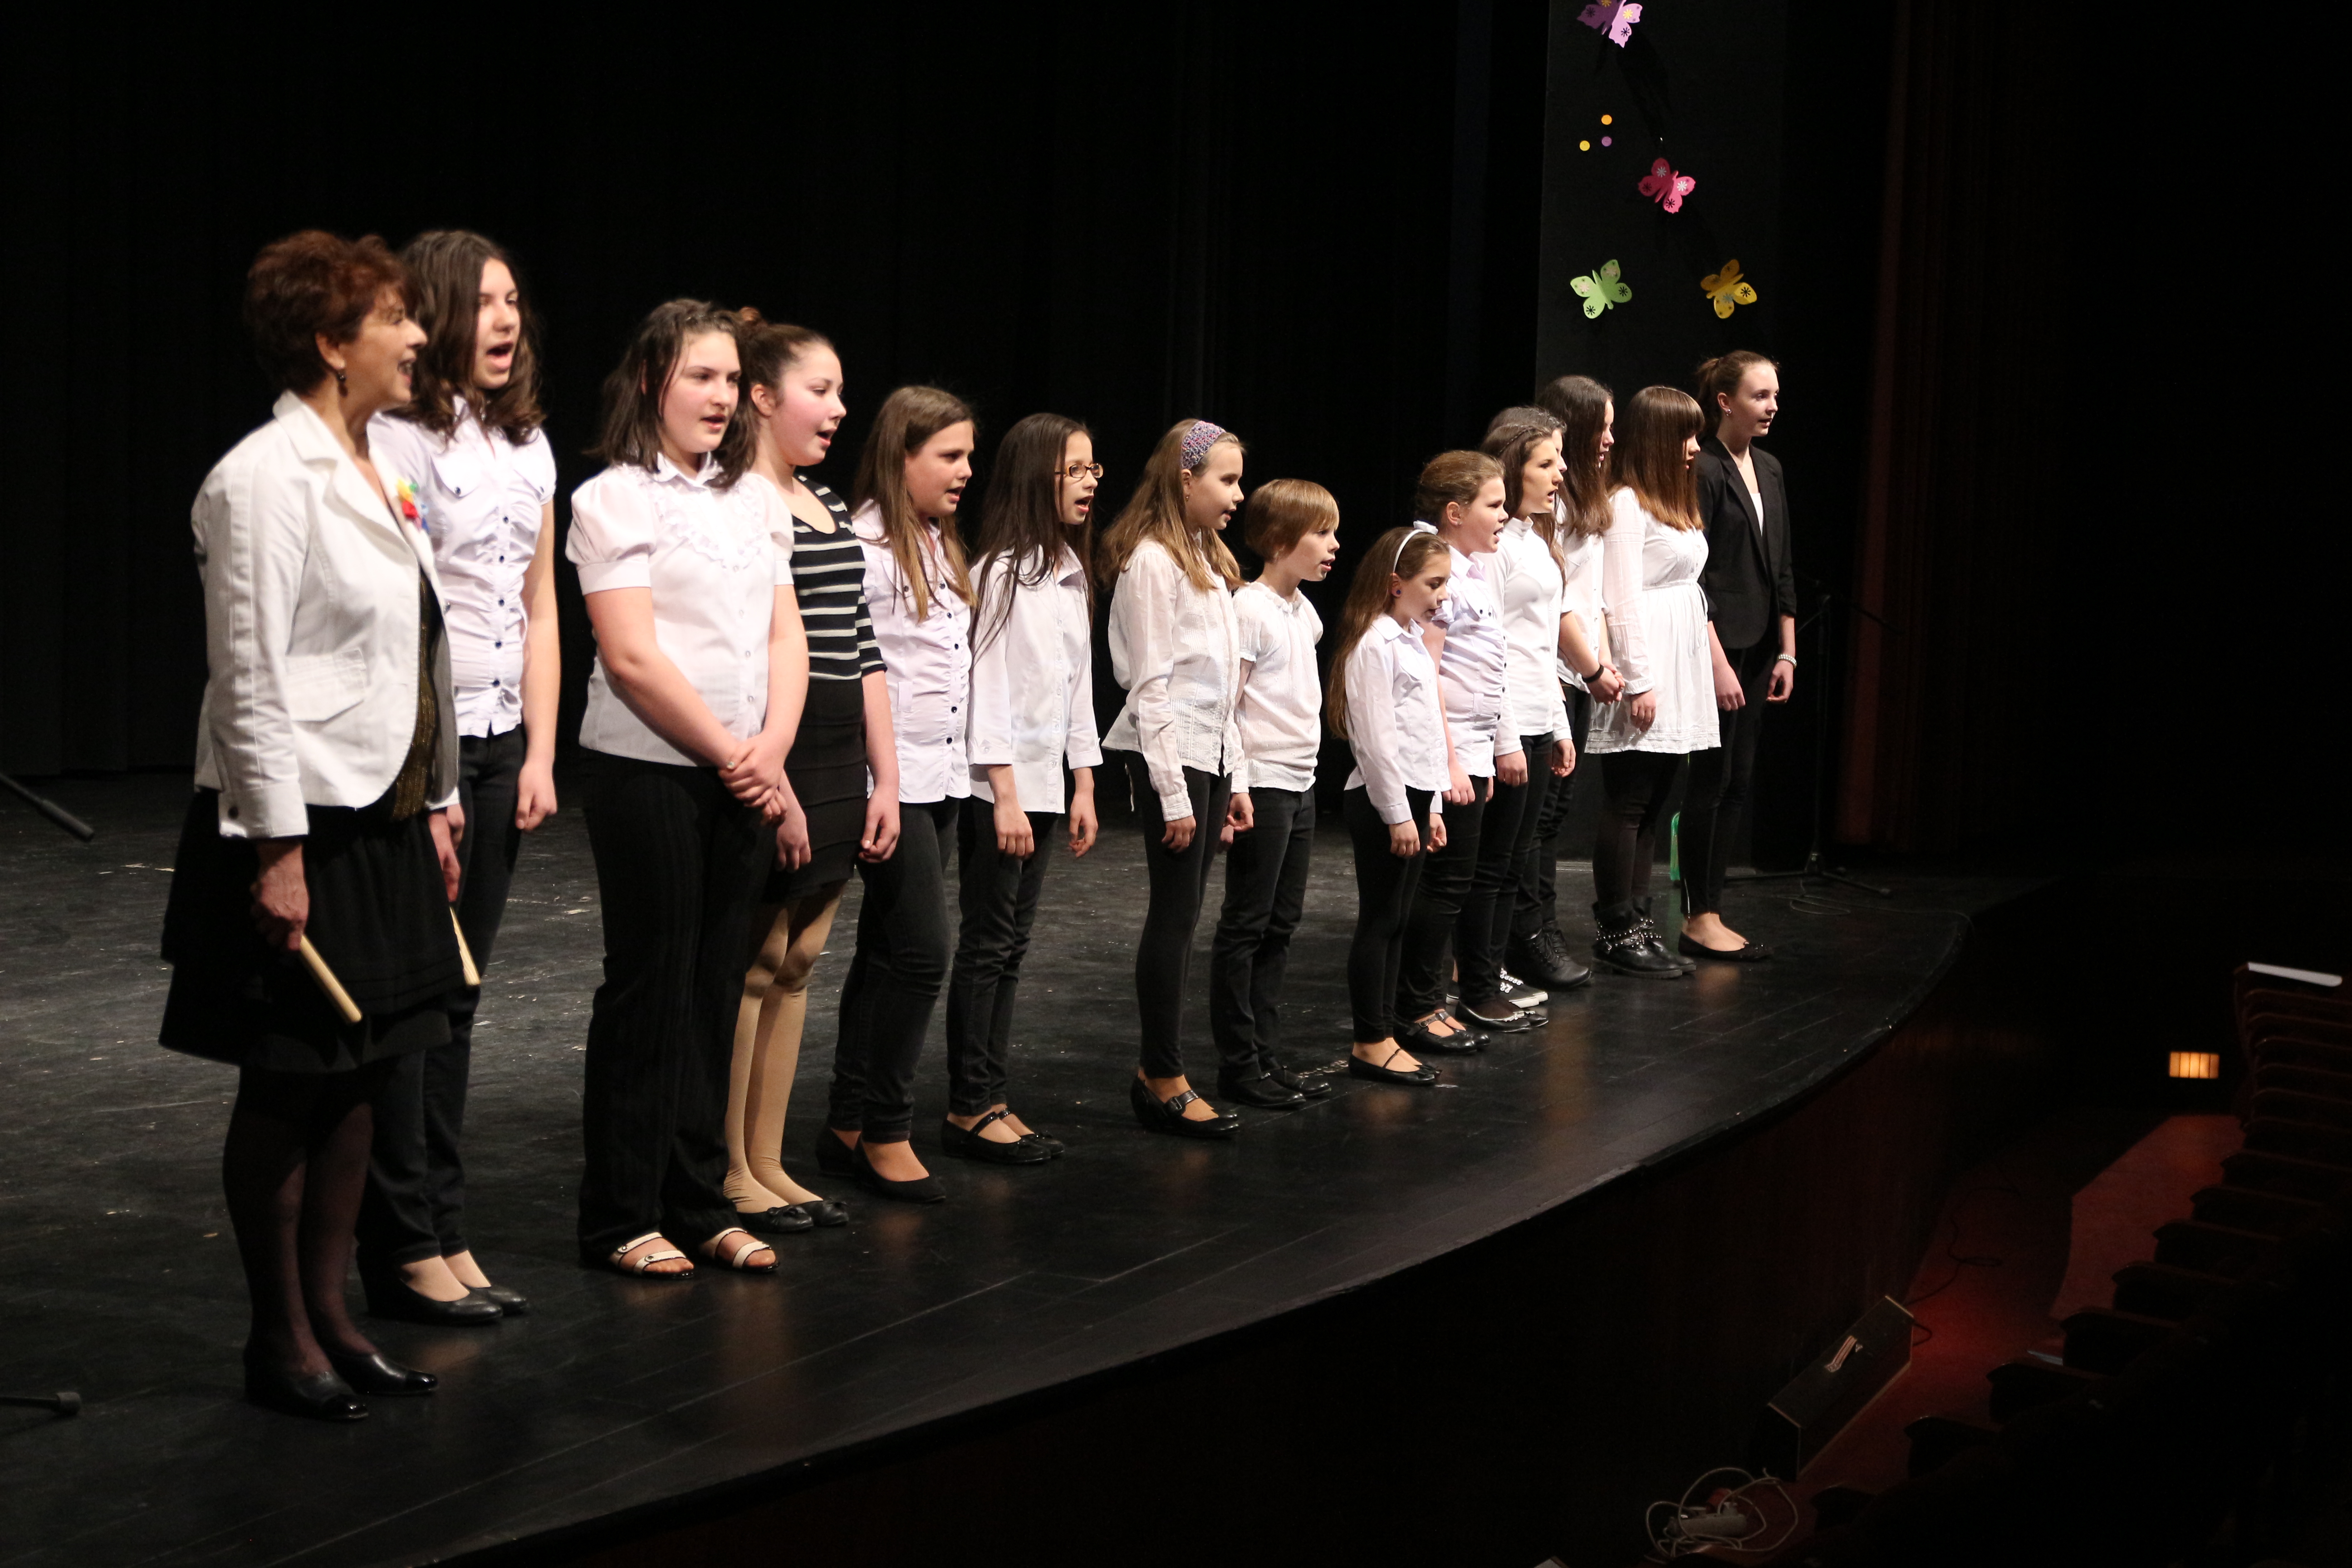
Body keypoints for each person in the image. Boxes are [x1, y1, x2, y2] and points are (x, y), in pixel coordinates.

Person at [160, 230, 454, 1419]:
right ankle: (278, 1336)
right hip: (297, 823)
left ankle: (333, 1316)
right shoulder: (262, 477)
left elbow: (408, 651)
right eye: (395, 319)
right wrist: (277, 853)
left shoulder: (375, 463)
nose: (419, 336)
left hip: (379, 812)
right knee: (289, 1084)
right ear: (333, 343)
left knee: (367, 1077)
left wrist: (436, 797)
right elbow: (250, 676)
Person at [567, 300, 806, 1278]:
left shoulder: (756, 499)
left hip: (744, 772)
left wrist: (771, 750)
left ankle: (699, 1202)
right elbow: (630, 655)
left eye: (730, 378)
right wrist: (731, 753)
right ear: (649, 382)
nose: (719, 395)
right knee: (652, 986)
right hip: (648, 770)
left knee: (714, 989)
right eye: (698, 376)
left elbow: (785, 635)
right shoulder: (614, 498)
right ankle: (622, 1214)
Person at [355, 230, 553, 1327]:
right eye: (483, 301)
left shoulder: (526, 443)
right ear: (433, 314)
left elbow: (537, 604)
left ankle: (446, 1223)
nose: (505, 319)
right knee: (416, 1000)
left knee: (461, 997)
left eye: (513, 299)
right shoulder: (396, 437)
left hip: (499, 740)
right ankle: (403, 1241)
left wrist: (539, 752)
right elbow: (401, 617)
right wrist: (429, 782)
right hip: (421, 749)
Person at [722, 315, 892, 1235]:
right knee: (754, 963)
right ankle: (728, 1167)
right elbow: (746, 652)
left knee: (799, 961)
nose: (837, 408)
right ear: (761, 397)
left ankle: (769, 1159)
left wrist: (883, 778)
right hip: (775, 744)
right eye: (818, 390)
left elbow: (863, 650)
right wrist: (774, 776)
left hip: (834, 747)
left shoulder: (824, 502)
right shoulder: (741, 503)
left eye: (838, 392)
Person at [818, 386, 977, 1204]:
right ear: (901, 457)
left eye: (968, 455)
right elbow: (858, 671)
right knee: (922, 953)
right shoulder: (866, 547)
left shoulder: (938, 544)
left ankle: (847, 1119)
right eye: (948, 456)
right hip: (891, 780)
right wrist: (876, 778)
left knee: (885, 950)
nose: (965, 470)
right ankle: (887, 1125)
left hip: (940, 771)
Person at [942, 413, 1105, 1164]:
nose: (1089, 482)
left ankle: (993, 1095)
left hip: (1044, 787)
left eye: (1092, 469)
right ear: (1038, 477)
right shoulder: (1000, 574)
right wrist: (1004, 793)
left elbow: (1077, 689)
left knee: (1012, 947)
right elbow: (987, 689)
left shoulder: (1069, 573)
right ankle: (968, 1104)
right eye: (1075, 469)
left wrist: (1083, 782)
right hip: (998, 792)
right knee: (987, 946)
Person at [1099, 419, 1253, 1139]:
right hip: (1174, 753)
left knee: (1188, 912)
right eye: (1227, 480)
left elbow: (1225, 689)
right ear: (1186, 480)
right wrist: (1172, 791)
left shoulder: (1206, 560)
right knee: (1174, 913)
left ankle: (1164, 1069)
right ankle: (1161, 1074)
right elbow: (1151, 686)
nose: (1238, 495)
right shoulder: (1153, 563)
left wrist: (1237, 776)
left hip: (1209, 752)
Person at [1207, 480, 1343, 1108]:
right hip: (1262, 784)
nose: (1333, 546)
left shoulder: (1302, 612)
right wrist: (1235, 786)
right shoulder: (1250, 609)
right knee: (1248, 924)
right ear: (1281, 540)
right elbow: (1228, 707)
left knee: (1281, 924)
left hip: (1301, 781)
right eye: (1322, 533)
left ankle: (1266, 1052)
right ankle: (1239, 1063)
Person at [1583, 387, 1719, 975]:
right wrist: (1639, 681)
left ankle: (1639, 924)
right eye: (1686, 436)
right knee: (1630, 799)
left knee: (1656, 801)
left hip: (1677, 666)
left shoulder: (1670, 503)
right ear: (1659, 439)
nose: (1695, 447)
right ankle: (1618, 930)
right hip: (1645, 666)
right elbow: (1619, 600)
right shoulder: (1625, 505)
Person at [1393, 450, 1518, 1050]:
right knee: (1442, 885)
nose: (1505, 515)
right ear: (1454, 512)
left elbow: (1486, 666)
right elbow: (1426, 673)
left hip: (1469, 745)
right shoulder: (1431, 566)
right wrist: (1450, 762)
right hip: (1445, 749)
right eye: (1495, 505)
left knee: (1458, 882)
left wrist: (1493, 746)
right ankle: (1417, 1007)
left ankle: (1433, 999)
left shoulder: (1469, 569)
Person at [1678, 352, 1795, 961]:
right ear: (1725, 402)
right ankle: (1698, 916)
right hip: (1716, 647)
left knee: (1738, 781)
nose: (1772, 406)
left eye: (1774, 395)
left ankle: (1712, 909)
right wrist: (1718, 662)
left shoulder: (1769, 467)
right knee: (1710, 780)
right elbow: (1694, 576)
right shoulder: (1704, 468)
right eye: (1759, 395)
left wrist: (1788, 651)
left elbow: (1782, 565)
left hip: (1759, 648)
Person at [1327, 525, 1452, 1087]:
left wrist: (1433, 807)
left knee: (1399, 919)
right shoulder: (1374, 644)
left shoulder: (1409, 638)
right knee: (1380, 920)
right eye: (1434, 583)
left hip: (1415, 797)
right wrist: (1399, 813)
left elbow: (1423, 734)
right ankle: (1370, 1040)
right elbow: (1375, 741)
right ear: (1396, 584)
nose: (1443, 595)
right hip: (1383, 801)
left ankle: (1387, 1032)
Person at [1467, 410, 1581, 1006]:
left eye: (1560, 461)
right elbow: (1492, 649)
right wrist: (1505, 736)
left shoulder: (1537, 540)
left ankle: (1493, 970)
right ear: (1514, 470)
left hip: (1539, 714)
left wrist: (1559, 726)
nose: (1560, 473)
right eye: (1546, 463)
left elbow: (1542, 645)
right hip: (1504, 723)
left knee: (1515, 861)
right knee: (1491, 865)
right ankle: (1475, 980)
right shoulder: (1496, 548)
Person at [1513, 377, 1624, 985]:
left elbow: (1590, 595)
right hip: (1552, 670)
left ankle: (1540, 928)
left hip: (1576, 673)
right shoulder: (1546, 509)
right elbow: (1553, 605)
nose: (1610, 439)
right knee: (1536, 818)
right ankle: (1528, 934)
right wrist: (1589, 667)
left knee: (1552, 816)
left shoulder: (1586, 498)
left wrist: (1601, 663)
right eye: (1602, 427)